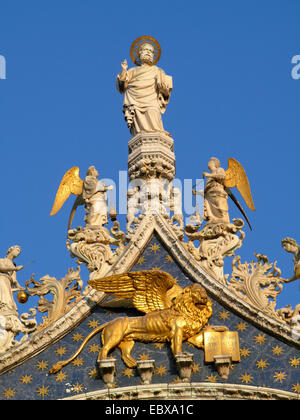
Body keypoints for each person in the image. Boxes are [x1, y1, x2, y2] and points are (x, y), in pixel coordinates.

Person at [116, 43, 172, 136]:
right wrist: (124, 70)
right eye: (146, 50)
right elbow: (122, 86)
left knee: (153, 113)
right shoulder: (132, 71)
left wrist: (162, 87)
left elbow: (166, 92)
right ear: (140, 53)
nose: (148, 53)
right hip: (134, 100)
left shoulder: (158, 71)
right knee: (139, 128)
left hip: (152, 100)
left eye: (151, 51)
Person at [202, 157, 230, 225]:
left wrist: (209, 175)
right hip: (209, 195)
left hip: (217, 192)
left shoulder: (219, 169)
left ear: (214, 163)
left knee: (220, 207)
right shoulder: (209, 177)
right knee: (210, 210)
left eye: (210, 162)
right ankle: (213, 219)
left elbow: (222, 177)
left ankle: (223, 219)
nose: (208, 163)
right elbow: (208, 188)